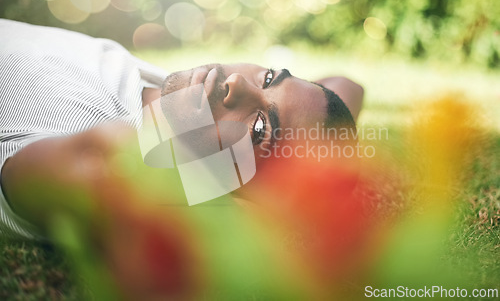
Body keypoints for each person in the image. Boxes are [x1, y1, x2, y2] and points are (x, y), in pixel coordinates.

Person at [0, 19, 364, 240]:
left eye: (258, 128)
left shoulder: (86, 152)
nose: (238, 81)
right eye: (268, 77)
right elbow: (345, 85)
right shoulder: (169, 97)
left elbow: (100, 170)